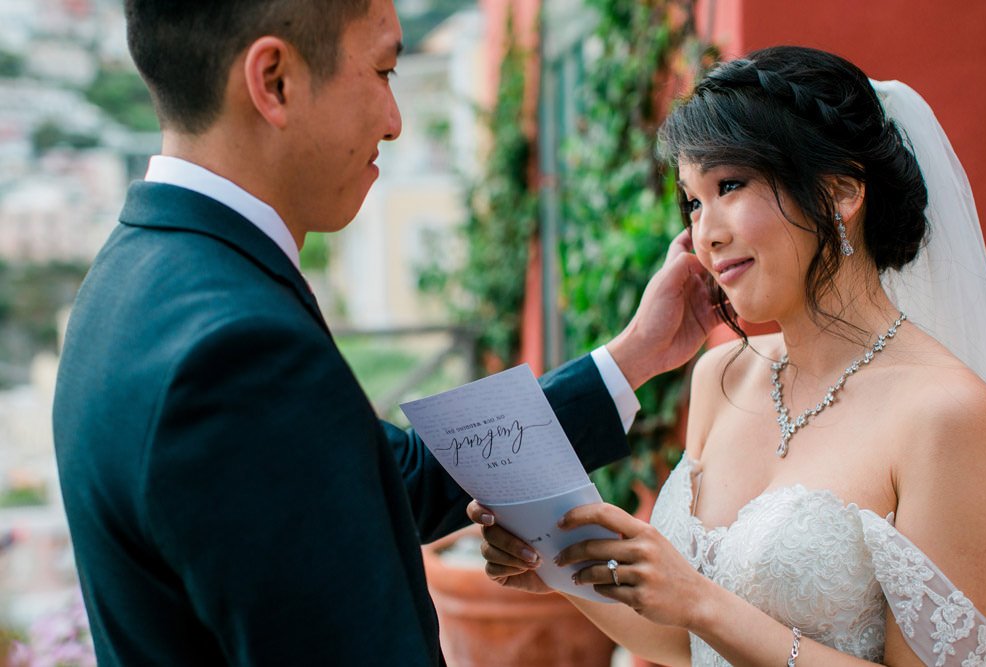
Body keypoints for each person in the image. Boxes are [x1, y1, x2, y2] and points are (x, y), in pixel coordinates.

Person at [50, 1, 718, 665]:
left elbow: (394, 477)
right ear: (274, 81)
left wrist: (632, 357)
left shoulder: (125, 280)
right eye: (383, 71)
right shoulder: (237, 353)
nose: (395, 124)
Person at [471, 46, 986, 666]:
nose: (706, 233)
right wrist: (564, 571)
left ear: (840, 192)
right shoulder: (721, 376)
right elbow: (685, 643)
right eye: (693, 202)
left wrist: (699, 600)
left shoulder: (946, 413)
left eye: (729, 186)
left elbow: (700, 613)